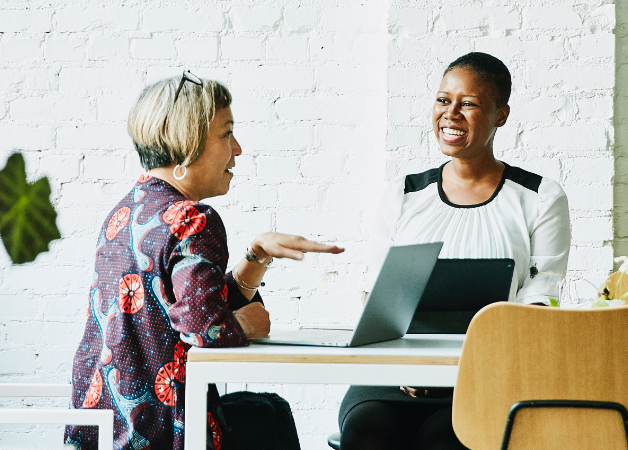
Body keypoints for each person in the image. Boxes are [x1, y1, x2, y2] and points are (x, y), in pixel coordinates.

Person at [64, 71, 344, 450]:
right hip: (165, 430)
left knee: (263, 412)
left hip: (106, 428)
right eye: (226, 134)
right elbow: (204, 331)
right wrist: (243, 324)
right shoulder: (194, 217)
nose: (238, 149)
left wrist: (256, 255)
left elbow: (185, 308)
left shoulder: (126, 212)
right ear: (187, 143)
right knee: (268, 415)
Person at [338, 52, 570, 449]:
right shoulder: (405, 194)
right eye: (444, 100)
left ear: (501, 115)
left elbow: (540, 305)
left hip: (486, 379)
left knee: (443, 440)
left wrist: (476, 368)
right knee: (367, 435)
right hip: (395, 378)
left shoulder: (539, 197)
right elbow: (373, 295)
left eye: (469, 103)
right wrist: (401, 364)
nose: (451, 114)